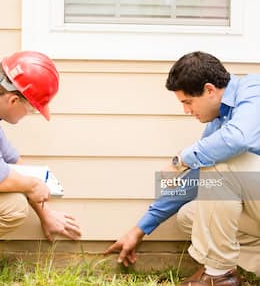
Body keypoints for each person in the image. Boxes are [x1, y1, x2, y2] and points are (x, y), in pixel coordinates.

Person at [105, 51, 260, 285]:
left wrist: (181, 159)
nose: (186, 111)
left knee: (218, 162)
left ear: (209, 90)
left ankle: (219, 276)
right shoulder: (217, 123)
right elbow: (194, 180)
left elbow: (238, 139)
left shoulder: (253, 89)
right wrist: (139, 229)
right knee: (190, 216)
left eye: (188, 102)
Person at [0, 51, 81, 274]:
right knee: (14, 207)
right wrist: (33, 187)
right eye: (32, 108)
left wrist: (46, 214)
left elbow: (15, 164)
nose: (30, 113)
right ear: (14, 99)